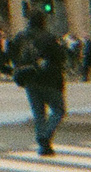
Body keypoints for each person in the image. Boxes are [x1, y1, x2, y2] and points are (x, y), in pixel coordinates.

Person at [8, 9, 66, 156]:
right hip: (49, 79)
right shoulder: (48, 37)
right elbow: (60, 57)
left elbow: (12, 53)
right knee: (59, 110)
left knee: (39, 114)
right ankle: (45, 136)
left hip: (29, 79)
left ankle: (44, 146)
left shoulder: (21, 36)